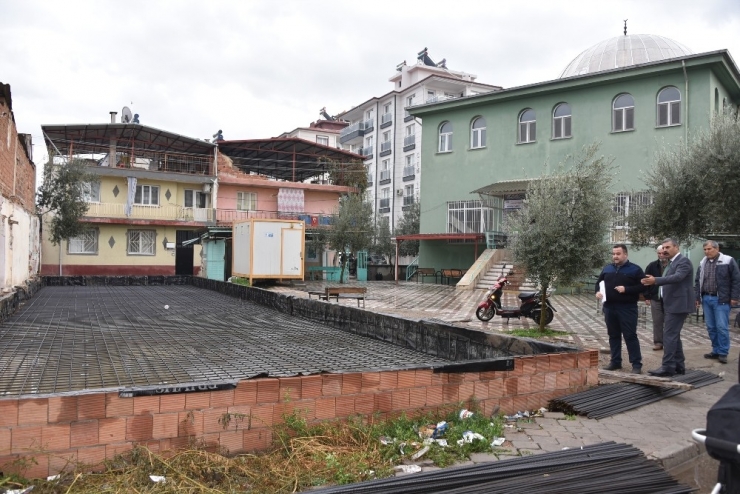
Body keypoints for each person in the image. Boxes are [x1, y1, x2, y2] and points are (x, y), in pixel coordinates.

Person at [641, 238, 695, 377]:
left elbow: (677, 277)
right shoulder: (672, 263)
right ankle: (678, 365)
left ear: (676, 247)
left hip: (678, 305)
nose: (664, 250)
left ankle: (667, 367)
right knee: (673, 335)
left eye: (667, 247)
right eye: (663, 248)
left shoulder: (683, 261)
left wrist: (656, 280)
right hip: (671, 303)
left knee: (669, 335)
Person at [595, 244, 645, 374]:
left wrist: (626, 289)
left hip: (627, 308)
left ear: (625, 254)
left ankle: (636, 364)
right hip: (609, 307)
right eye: (613, 254)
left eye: (618, 254)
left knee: (630, 336)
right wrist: (597, 293)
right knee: (613, 335)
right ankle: (615, 362)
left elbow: (644, 287)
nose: (615, 256)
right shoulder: (607, 268)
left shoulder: (635, 270)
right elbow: (599, 284)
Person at [694, 240, 740, 365]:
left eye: (709, 249)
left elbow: (736, 279)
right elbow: (698, 280)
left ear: (717, 248)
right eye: (705, 249)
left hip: (721, 299)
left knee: (721, 327)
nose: (706, 252)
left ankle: (723, 352)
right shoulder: (703, 262)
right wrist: (697, 297)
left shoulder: (728, 260)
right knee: (711, 327)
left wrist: (735, 297)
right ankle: (715, 350)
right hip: (706, 298)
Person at [644, 245, 671, 351]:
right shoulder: (652, 266)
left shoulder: (672, 266)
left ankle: (669, 343)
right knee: (657, 321)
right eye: (658, 253)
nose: (661, 255)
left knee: (669, 321)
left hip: (669, 297)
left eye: (663, 253)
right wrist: (647, 296)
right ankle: (658, 342)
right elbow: (645, 280)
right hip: (656, 297)